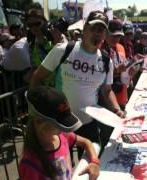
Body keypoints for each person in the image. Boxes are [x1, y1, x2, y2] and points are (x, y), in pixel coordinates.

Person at [30, 11, 125, 158]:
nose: (97, 34)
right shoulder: (64, 50)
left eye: (101, 30)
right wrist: (36, 112)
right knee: (61, 166)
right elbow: (37, 78)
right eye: (93, 28)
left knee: (90, 164)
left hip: (88, 123)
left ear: (105, 35)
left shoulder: (107, 61)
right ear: (85, 29)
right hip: (59, 123)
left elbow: (107, 90)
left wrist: (117, 109)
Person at [19, 86, 99, 180]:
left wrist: (94, 162)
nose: (64, 129)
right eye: (58, 125)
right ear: (39, 121)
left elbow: (86, 142)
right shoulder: (30, 164)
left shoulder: (62, 136)